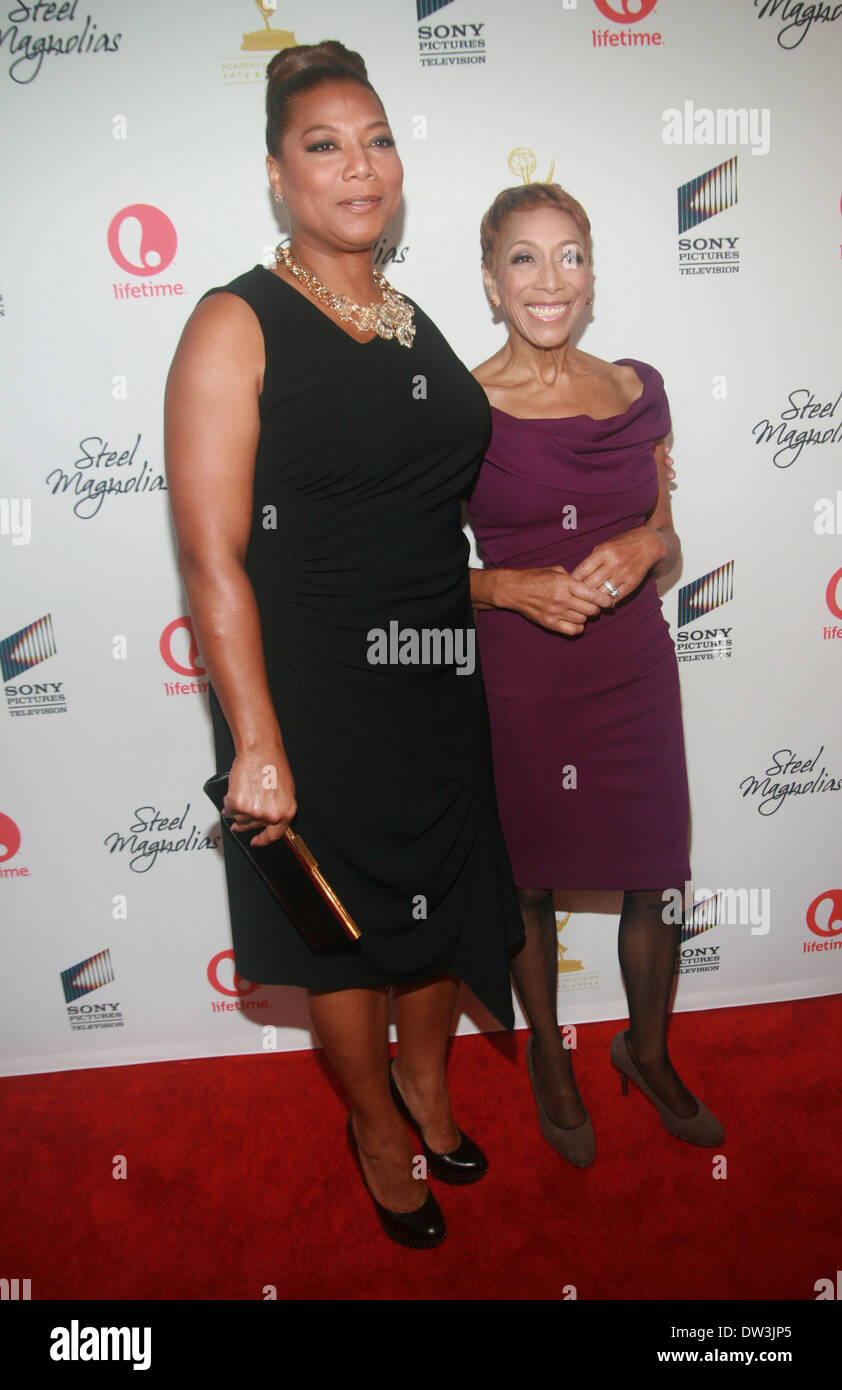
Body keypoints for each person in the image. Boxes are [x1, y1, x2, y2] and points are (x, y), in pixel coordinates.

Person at [164, 42, 524, 1249]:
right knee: (346, 942)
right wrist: (255, 740)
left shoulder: (409, 318)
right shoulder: (235, 321)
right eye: (323, 144)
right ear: (278, 175)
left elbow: (422, 521)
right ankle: (374, 1123)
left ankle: (427, 1086)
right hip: (309, 693)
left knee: (437, 915)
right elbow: (214, 553)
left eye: (374, 139)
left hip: (433, 673)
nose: (356, 166)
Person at [467, 183, 724, 1166]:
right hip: (522, 685)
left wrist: (645, 547)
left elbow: (666, 540)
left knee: (655, 874)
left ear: (590, 275)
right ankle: (547, 1053)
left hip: (631, 672)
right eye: (522, 258)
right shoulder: (457, 410)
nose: (547, 279)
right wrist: (509, 587)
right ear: (490, 282)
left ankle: (645, 1050)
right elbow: (407, 582)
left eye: (567, 255)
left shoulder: (636, 389)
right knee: (526, 882)